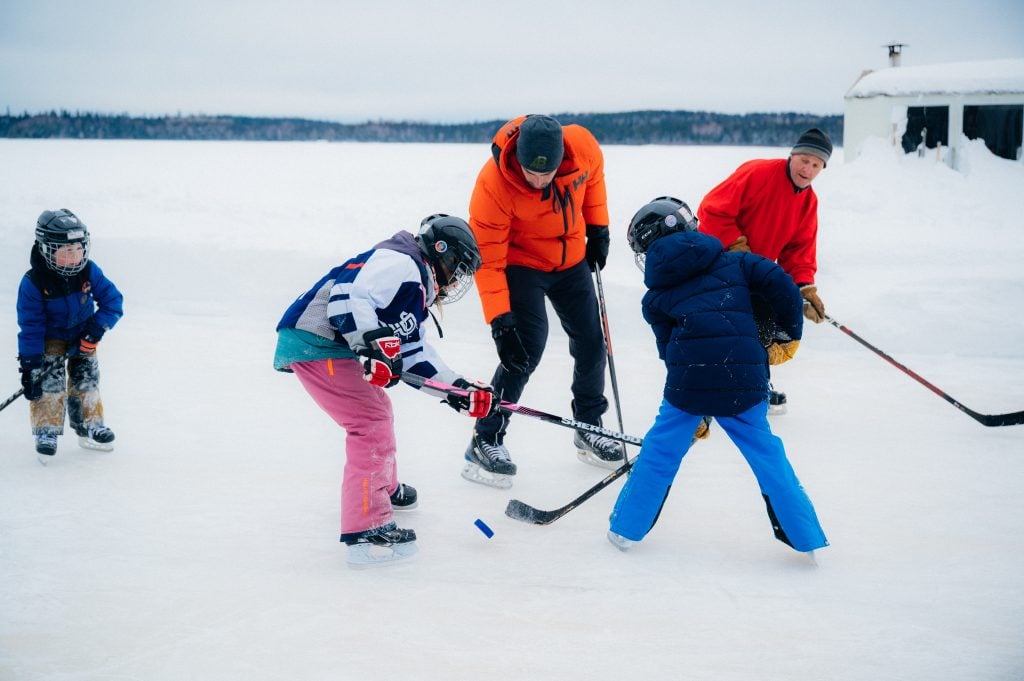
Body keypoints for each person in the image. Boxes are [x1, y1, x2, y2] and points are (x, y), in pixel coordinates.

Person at [607, 197, 828, 559]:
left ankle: (625, 530)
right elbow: (783, 287)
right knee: (768, 455)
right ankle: (807, 539)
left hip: (687, 388)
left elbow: (669, 353)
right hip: (746, 379)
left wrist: (696, 409)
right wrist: (784, 336)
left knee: (659, 452)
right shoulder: (738, 262)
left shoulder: (655, 298)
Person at [273, 214, 497, 568]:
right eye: (459, 269)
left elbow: (413, 355)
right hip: (315, 339)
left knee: (378, 409)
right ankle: (367, 527)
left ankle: (381, 489)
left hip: (327, 342)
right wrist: (369, 343)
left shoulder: (414, 284)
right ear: (443, 253)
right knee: (370, 422)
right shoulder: (402, 262)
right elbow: (347, 294)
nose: (456, 283)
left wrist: (456, 389)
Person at [462, 113, 623, 489]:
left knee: (591, 342)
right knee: (525, 348)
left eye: (545, 174)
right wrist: (501, 322)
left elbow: (594, 180)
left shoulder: (581, 145)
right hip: (521, 265)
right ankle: (486, 437)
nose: (537, 181)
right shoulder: (493, 184)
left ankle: (588, 426)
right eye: (529, 174)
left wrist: (598, 228)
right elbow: (488, 258)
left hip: (571, 262)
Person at [696, 127, 833, 413]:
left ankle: (757, 385)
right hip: (718, 262)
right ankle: (707, 388)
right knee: (725, 327)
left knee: (762, 323)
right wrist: (735, 247)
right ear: (792, 155)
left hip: (756, 271)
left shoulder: (808, 202)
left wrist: (804, 287)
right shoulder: (757, 173)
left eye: (816, 165)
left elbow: (799, 250)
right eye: (804, 160)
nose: (807, 169)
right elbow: (712, 209)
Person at [17, 209, 124, 458]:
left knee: (87, 380)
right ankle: (47, 430)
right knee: (50, 382)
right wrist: (30, 365)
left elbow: (113, 302)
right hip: (50, 338)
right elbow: (31, 327)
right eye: (67, 251)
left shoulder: (89, 271)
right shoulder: (33, 283)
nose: (75, 257)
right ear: (47, 250)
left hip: (84, 334)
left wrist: (95, 330)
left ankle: (92, 424)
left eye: (78, 249)